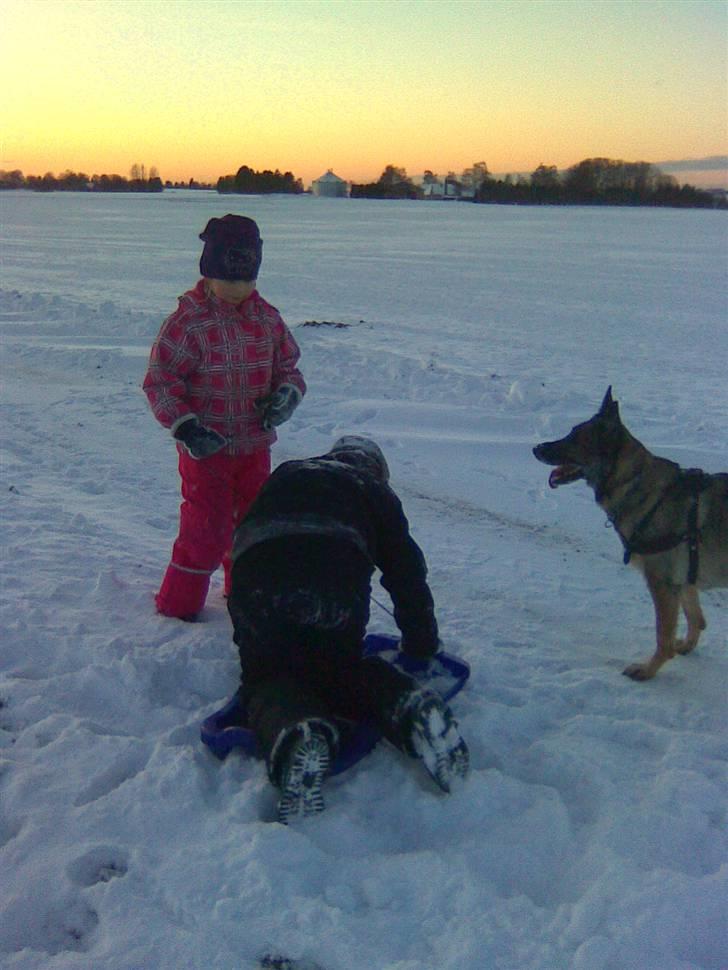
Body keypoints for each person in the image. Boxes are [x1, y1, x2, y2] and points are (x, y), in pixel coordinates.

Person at [227, 435, 469, 824]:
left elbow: (246, 532)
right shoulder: (374, 491)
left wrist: (248, 633)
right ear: (378, 472)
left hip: (256, 577)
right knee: (341, 671)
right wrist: (421, 643)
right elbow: (407, 575)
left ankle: (297, 731)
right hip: (332, 577)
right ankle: (411, 708)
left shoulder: (290, 471)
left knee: (268, 678)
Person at [143, 215, 305, 620]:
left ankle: (244, 592)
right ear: (208, 272)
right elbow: (161, 381)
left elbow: (288, 368)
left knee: (254, 524)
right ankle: (178, 606)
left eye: (246, 282)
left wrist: (286, 395)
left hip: (254, 447)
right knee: (206, 529)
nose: (238, 291)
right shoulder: (188, 322)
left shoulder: (267, 319)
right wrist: (186, 427)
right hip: (206, 451)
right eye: (228, 282)